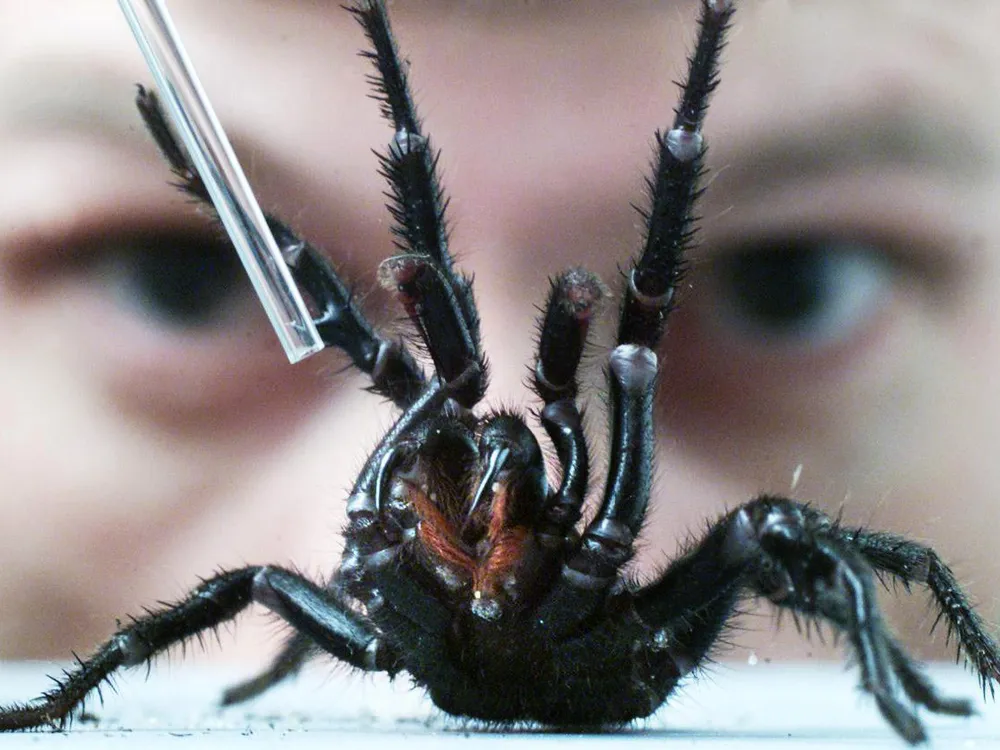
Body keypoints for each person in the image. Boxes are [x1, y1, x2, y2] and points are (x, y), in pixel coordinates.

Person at [0, 0, 996, 671]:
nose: (310, 537)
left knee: (765, 529)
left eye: (783, 282)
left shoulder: (597, 558)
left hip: (614, 669)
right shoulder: (395, 543)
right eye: (183, 278)